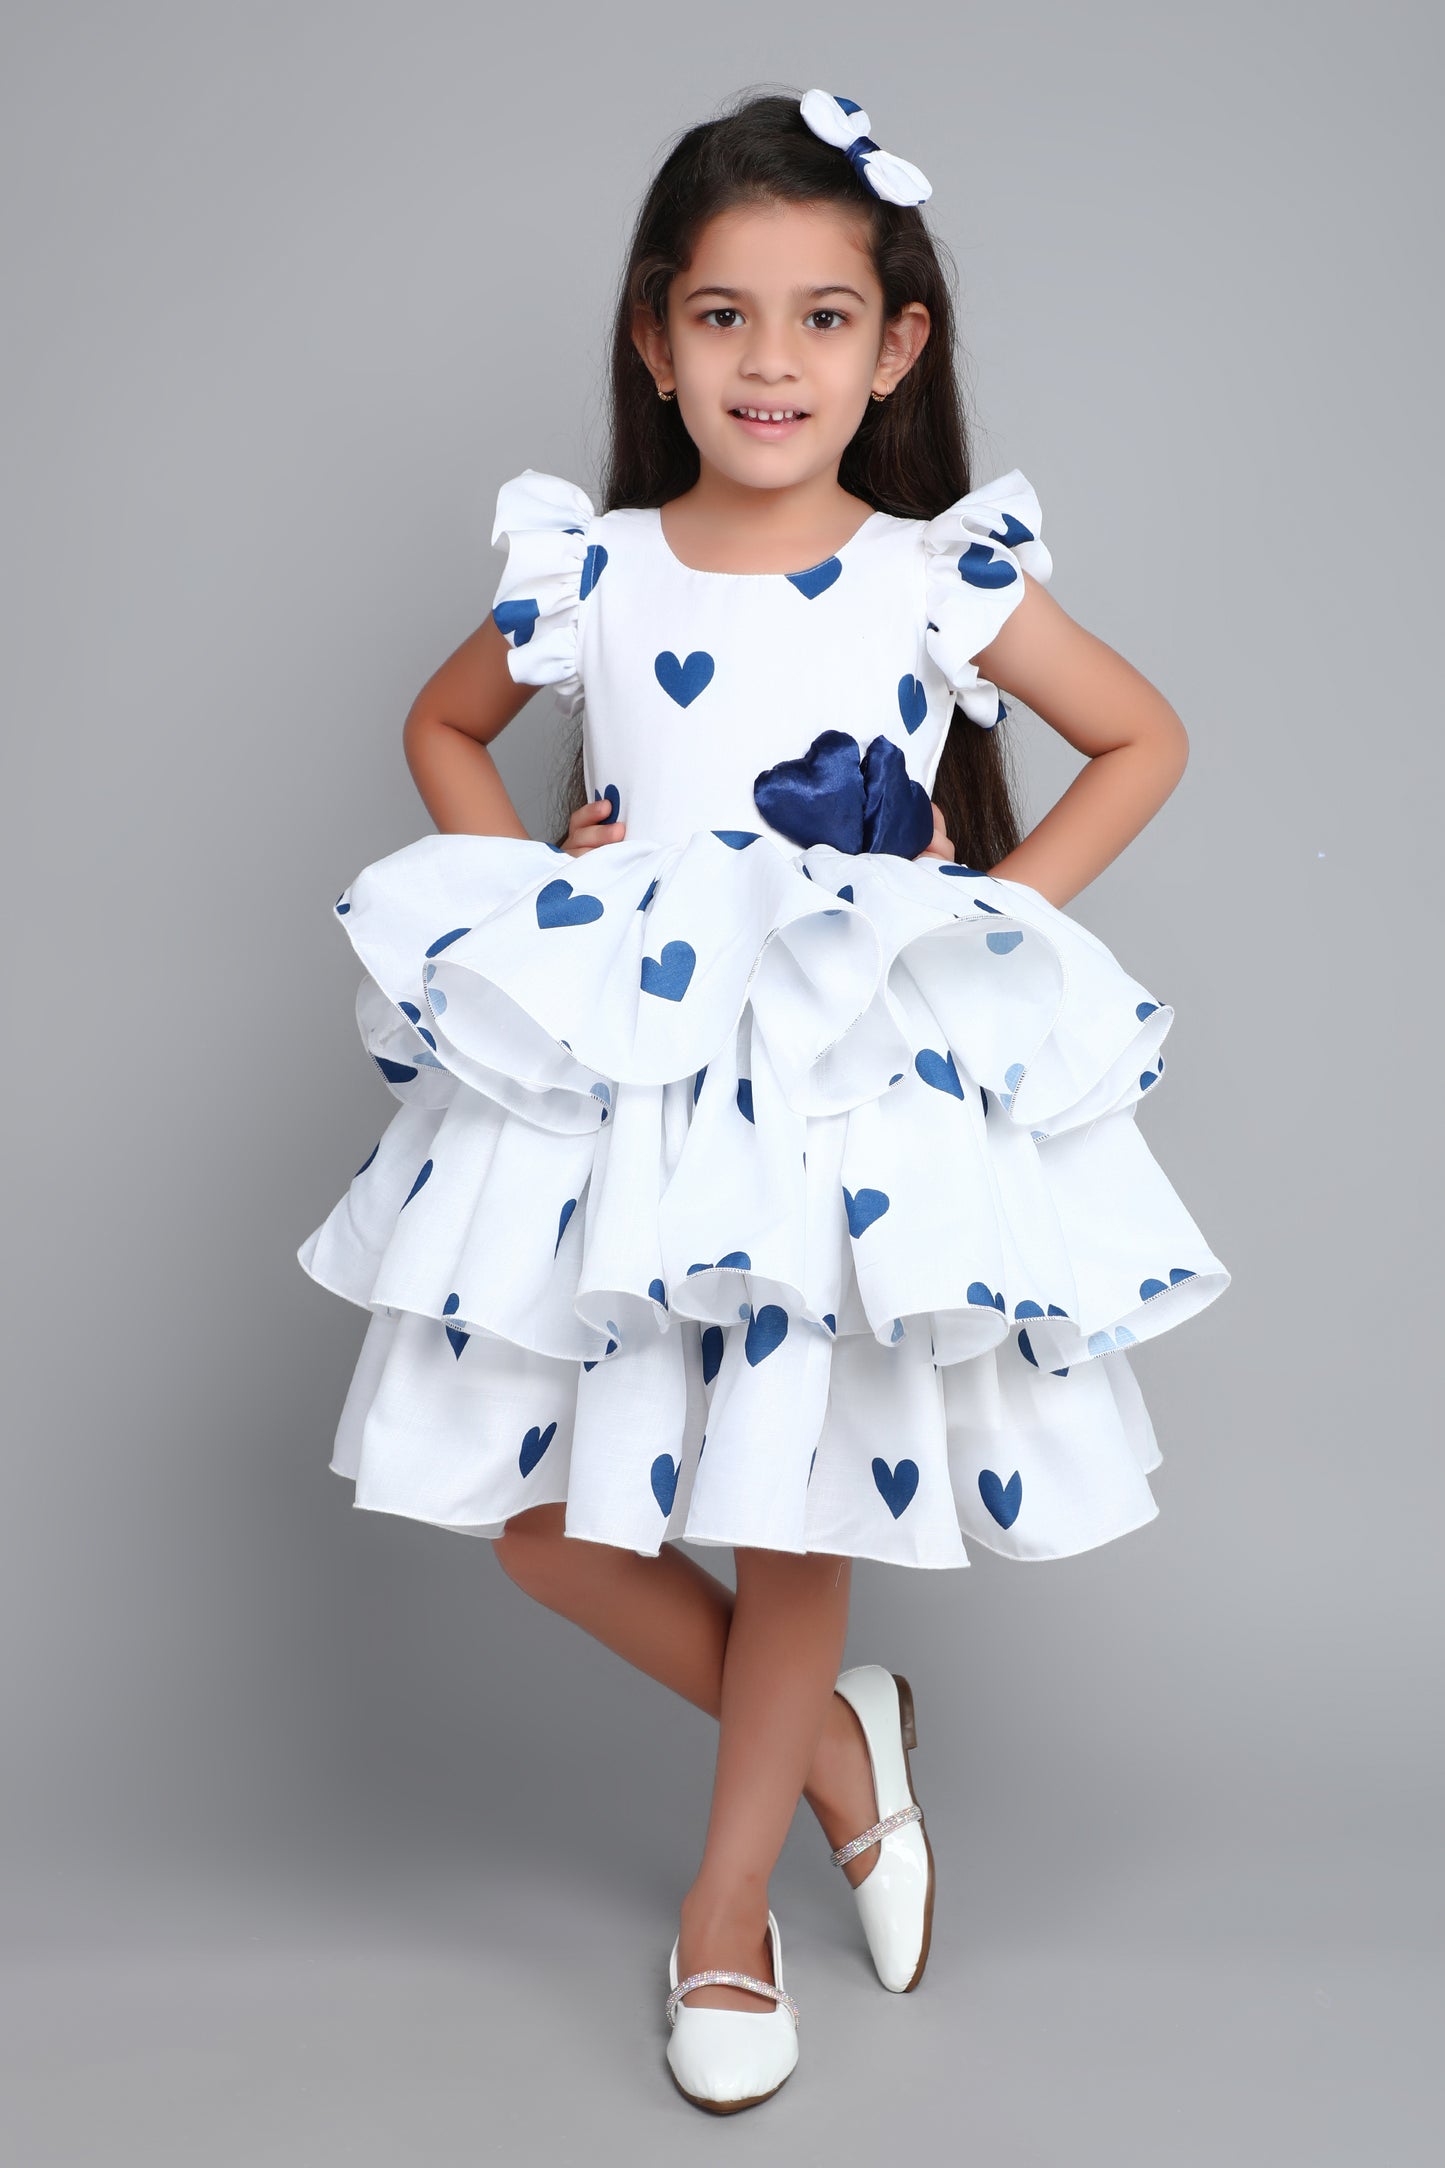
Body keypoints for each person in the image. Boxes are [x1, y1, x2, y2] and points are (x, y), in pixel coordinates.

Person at [297, 84, 1230, 2115]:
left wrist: (982, 916)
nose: (770, 361)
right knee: (543, 1521)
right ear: (656, 338)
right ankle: (834, 1746)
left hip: (831, 1090)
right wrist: (538, 884)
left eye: (823, 317)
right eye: (723, 316)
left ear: (896, 348)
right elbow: (444, 724)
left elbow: (1140, 737)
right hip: (632, 1083)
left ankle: (725, 1914)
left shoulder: (928, 574)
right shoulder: (594, 567)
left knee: (788, 1494)